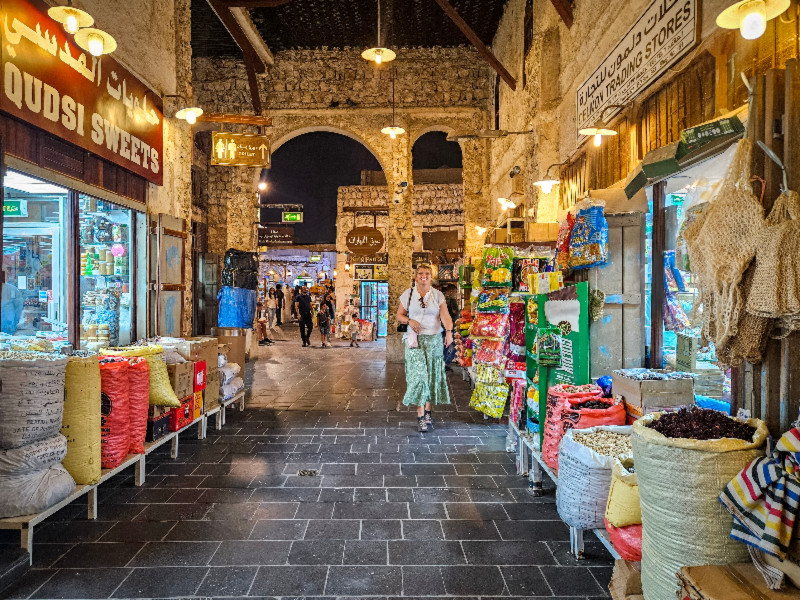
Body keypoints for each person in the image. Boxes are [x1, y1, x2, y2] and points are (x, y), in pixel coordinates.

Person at [396, 263, 454, 433]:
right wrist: (409, 321)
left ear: (431, 276)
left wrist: (449, 332)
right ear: (416, 276)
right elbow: (399, 315)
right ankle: (421, 416)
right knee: (418, 376)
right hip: (414, 341)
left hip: (434, 340)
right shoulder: (408, 294)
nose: (424, 276)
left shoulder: (438, 295)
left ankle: (428, 412)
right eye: (420, 273)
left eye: (427, 273)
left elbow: (445, 316)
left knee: (431, 377)